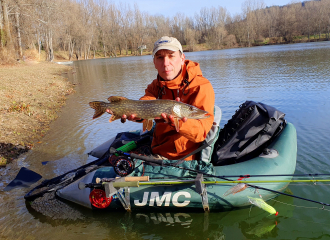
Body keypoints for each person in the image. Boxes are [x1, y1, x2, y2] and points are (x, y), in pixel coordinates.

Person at [121, 36, 215, 160]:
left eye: (171, 56)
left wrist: (178, 121)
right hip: (157, 151)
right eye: (160, 57)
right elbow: (145, 103)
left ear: (182, 59)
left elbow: (201, 132)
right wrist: (138, 116)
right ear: (154, 62)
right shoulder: (155, 86)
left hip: (184, 157)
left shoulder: (201, 87)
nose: (166, 63)